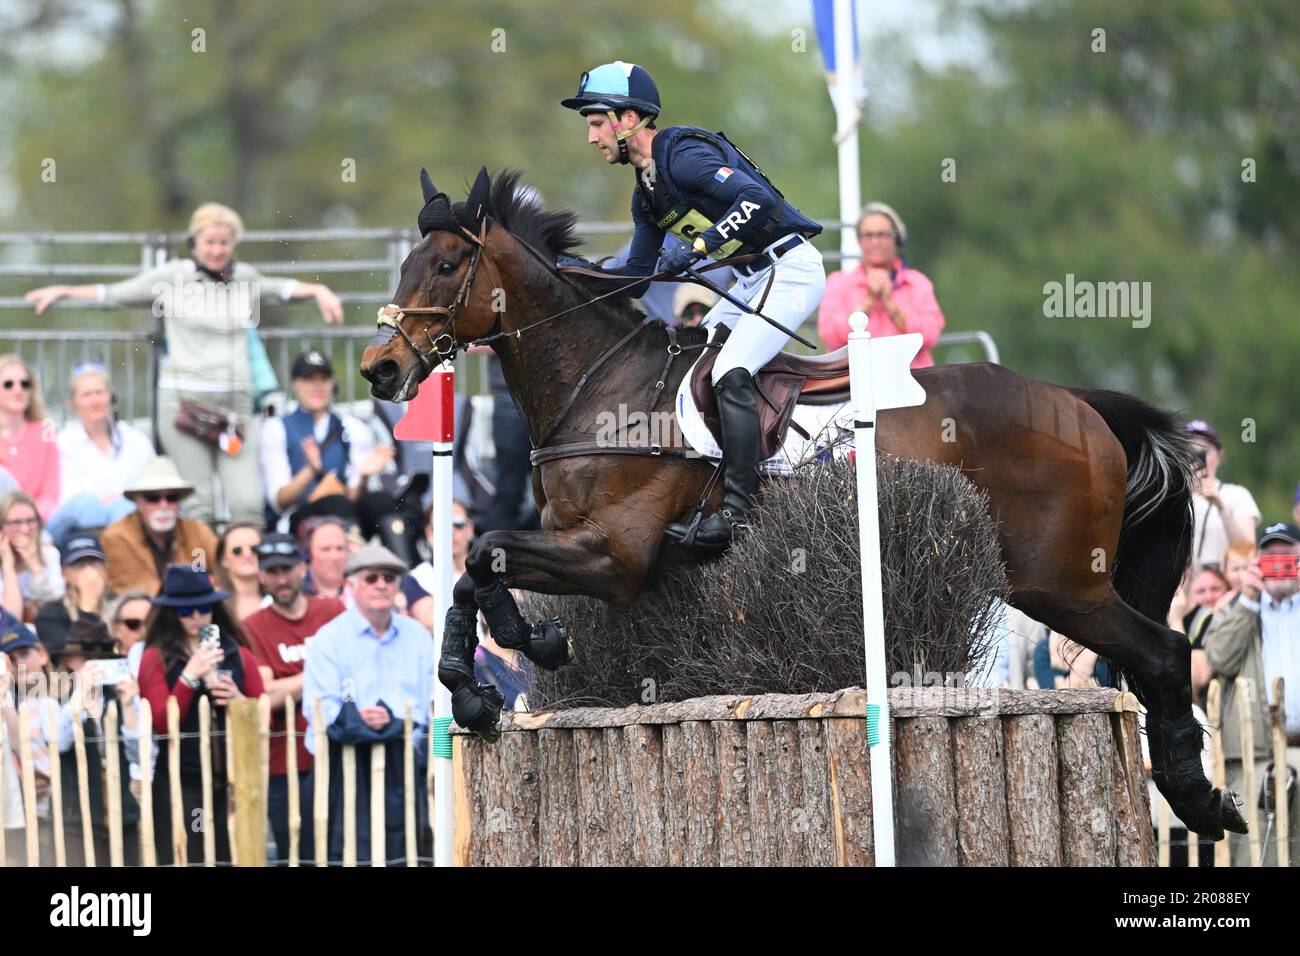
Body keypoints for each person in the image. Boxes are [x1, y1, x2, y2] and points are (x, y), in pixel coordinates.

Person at [562, 61, 826, 552]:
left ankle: (740, 515)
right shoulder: (646, 194)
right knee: (689, 361)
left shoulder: (682, 157)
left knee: (730, 372)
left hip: (788, 270)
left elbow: (758, 200)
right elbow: (638, 279)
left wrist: (701, 246)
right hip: (751, 281)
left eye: (597, 123)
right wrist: (574, 274)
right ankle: (704, 493)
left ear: (628, 119)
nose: (592, 137)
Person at [26, 203, 345, 525]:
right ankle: (200, 573)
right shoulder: (172, 277)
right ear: (194, 242)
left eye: (224, 242)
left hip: (234, 406)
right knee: (199, 504)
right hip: (184, 406)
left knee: (247, 503)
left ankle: (242, 569)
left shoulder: (244, 277)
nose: (217, 250)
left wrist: (319, 290)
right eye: (209, 242)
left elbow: (281, 288)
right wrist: (64, 290)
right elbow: (114, 294)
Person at [303, 544, 433, 865]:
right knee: (344, 856)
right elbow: (320, 708)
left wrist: (390, 719)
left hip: (402, 766)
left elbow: (430, 703)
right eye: (371, 577)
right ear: (350, 585)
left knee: (405, 856)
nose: (381, 584)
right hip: (343, 768)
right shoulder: (327, 639)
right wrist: (359, 719)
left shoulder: (419, 637)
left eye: (389, 578)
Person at [137, 565, 265, 865]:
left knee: (235, 857)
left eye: (204, 608)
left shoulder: (238, 654)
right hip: (182, 785)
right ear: (172, 614)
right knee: (186, 858)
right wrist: (189, 677)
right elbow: (161, 723)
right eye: (185, 611)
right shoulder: (157, 657)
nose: (196, 617)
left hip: (235, 782)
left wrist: (237, 699)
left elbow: (264, 720)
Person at [1201, 522, 1300, 866]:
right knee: (1256, 854)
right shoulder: (1237, 607)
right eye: (1269, 557)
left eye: (1286, 556)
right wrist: (1248, 600)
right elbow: (1219, 659)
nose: (1278, 564)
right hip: (1254, 755)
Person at [243, 533, 346, 863]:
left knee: (340, 849)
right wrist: (323, 672)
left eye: (287, 569)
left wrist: (293, 682)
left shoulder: (332, 610)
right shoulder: (252, 626)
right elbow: (266, 695)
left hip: (336, 753)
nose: (282, 579)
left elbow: (353, 668)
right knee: (297, 855)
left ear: (303, 568)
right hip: (283, 763)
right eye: (272, 571)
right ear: (261, 576)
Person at [259, 350, 419, 559]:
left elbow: (353, 496)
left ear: (332, 383)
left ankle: (405, 570)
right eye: (310, 379)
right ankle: (357, 566)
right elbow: (279, 501)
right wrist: (310, 470)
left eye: (324, 379)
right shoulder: (276, 428)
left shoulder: (352, 428)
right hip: (298, 518)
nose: (318, 386)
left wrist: (363, 476)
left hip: (346, 515)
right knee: (337, 503)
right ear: (296, 383)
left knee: (380, 500)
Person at [50, 618, 141, 866]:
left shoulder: (123, 700)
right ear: (71, 662)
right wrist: (79, 698)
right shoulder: (61, 702)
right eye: (88, 658)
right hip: (78, 820)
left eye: (102, 658)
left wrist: (129, 707)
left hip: (122, 816)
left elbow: (140, 756)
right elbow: (58, 744)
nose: (96, 666)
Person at [817, 202, 947, 366]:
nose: (875, 242)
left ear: (897, 239)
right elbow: (830, 338)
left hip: (913, 381)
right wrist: (867, 302)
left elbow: (930, 336)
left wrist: (891, 305)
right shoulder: (838, 283)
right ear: (860, 241)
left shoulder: (918, 283)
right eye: (868, 235)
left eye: (882, 234)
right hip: (854, 385)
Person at [47, 363, 156, 543]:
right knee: (90, 505)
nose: (95, 400)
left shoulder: (136, 439)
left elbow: (152, 483)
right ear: (74, 403)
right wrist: (113, 499)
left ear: (110, 397)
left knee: (123, 508)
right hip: (78, 521)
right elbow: (67, 497)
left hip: (128, 515)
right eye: (86, 395)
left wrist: (118, 501)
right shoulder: (63, 443)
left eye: (99, 393)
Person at [101, 457, 218, 595]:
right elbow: (137, 588)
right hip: (147, 612)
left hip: (197, 609)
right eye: (153, 498)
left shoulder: (197, 531)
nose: (163, 505)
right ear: (138, 503)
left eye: (171, 498)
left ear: (179, 503)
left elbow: (224, 572)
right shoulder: (116, 537)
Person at [1185, 420, 1260, 571]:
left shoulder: (1237, 495)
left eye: (1204, 451)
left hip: (1227, 587)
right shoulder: (1172, 497)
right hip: (1183, 591)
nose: (1196, 459)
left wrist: (1220, 506)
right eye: (1189, 451)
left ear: (1220, 456)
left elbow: (1247, 552)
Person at [0, 355, 59, 520]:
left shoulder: (45, 432)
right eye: (8, 384)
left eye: (25, 384)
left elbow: (51, 493)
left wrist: (29, 518)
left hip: (37, 521)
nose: (18, 390)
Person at [33, 532, 108, 658]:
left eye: (93, 562)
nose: (88, 571)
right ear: (64, 573)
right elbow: (71, 656)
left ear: (104, 568)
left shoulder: (120, 606)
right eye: (78, 565)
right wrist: (88, 605)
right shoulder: (51, 614)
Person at [0, 491, 64, 622]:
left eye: (30, 521)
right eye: (16, 522)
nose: (25, 529)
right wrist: (8, 564)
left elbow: (57, 612)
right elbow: (11, 618)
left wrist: (35, 566)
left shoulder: (50, 555)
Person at [214, 521, 264, 621]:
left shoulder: (280, 598)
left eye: (255, 548)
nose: (248, 554)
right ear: (224, 560)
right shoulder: (214, 603)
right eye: (237, 550)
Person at [300, 516, 351, 602]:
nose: (334, 557)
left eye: (340, 548)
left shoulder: (363, 592)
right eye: (326, 549)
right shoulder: (295, 596)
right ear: (308, 553)